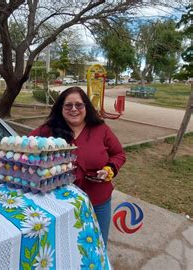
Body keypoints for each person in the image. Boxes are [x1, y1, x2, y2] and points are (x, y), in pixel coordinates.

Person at [29, 86, 126, 246]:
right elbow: (23, 145)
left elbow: (119, 154)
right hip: (60, 203)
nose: (74, 109)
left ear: (86, 107)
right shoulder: (48, 130)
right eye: (68, 105)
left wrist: (110, 168)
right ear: (61, 108)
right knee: (66, 244)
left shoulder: (101, 129)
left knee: (98, 245)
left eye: (79, 105)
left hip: (98, 201)